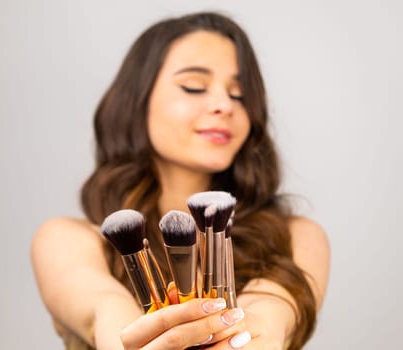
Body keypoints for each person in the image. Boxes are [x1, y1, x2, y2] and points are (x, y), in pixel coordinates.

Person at [31, 11, 330, 350]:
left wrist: (261, 325)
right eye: (194, 86)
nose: (223, 105)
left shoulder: (297, 236)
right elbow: (103, 310)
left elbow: (273, 308)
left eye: (239, 95)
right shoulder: (67, 241)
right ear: (136, 103)